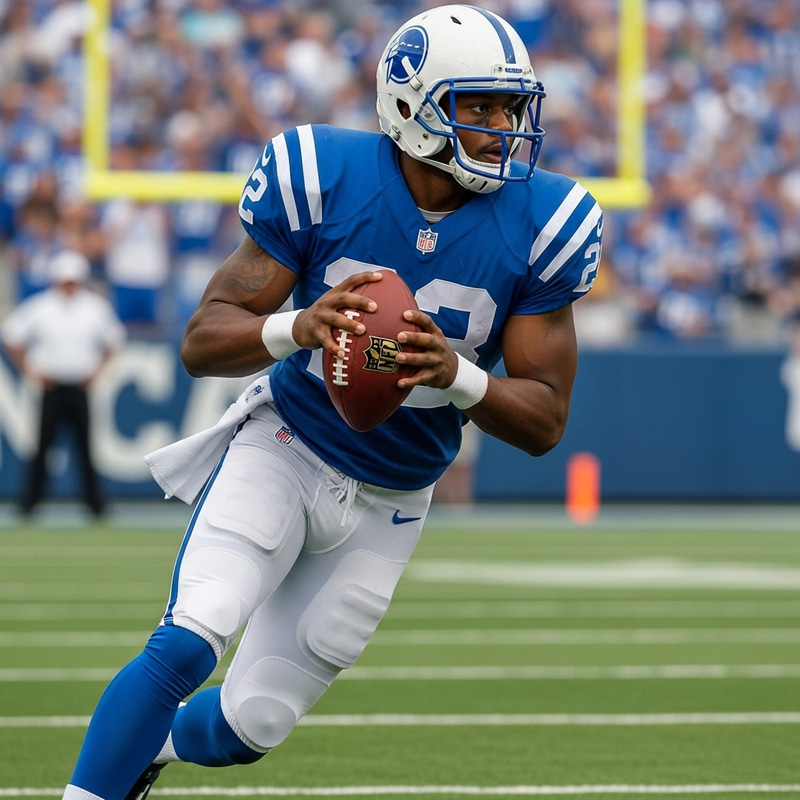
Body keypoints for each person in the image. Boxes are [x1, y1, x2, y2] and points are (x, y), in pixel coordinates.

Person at [61, 6, 602, 799]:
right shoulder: (324, 174)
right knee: (187, 642)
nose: (502, 128)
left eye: (511, 107)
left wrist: (457, 374)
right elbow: (204, 339)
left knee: (254, 724)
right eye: (478, 106)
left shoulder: (546, 220)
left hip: (394, 494)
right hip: (286, 445)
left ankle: (148, 749)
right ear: (413, 107)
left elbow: (546, 421)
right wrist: (297, 326)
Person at [1, 249, 127, 517]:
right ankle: (29, 503)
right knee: (43, 446)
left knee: (85, 447)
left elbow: (115, 340)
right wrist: (30, 371)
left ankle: (94, 504)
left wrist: (97, 372)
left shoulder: (94, 307)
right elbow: (11, 336)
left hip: (80, 387)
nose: (68, 285)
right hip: (52, 387)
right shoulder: (41, 306)